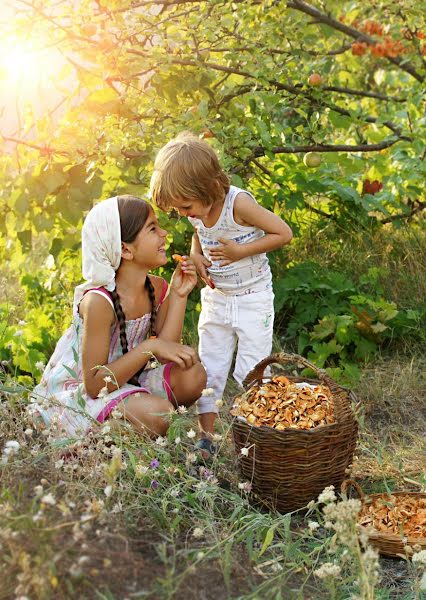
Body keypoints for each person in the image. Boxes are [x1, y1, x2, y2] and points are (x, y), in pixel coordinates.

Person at [150, 132, 293, 458]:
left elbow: (283, 233)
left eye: (186, 206)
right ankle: (207, 438)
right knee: (209, 368)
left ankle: (255, 438)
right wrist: (196, 256)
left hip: (252, 298)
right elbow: (200, 233)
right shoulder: (197, 211)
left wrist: (242, 250)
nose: (185, 214)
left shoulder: (238, 203)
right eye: (178, 209)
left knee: (251, 369)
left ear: (208, 188)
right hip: (217, 298)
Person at [31, 195, 207, 440]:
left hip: (129, 379)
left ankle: (127, 422)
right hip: (84, 390)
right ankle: (104, 435)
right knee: (160, 414)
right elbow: (93, 385)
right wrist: (149, 346)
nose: (164, 233)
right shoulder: (99, 302)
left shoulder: (156, 288)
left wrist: (178, 295)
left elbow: (167, 347)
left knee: (193, 375)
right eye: (153, 228)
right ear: (125, 249)